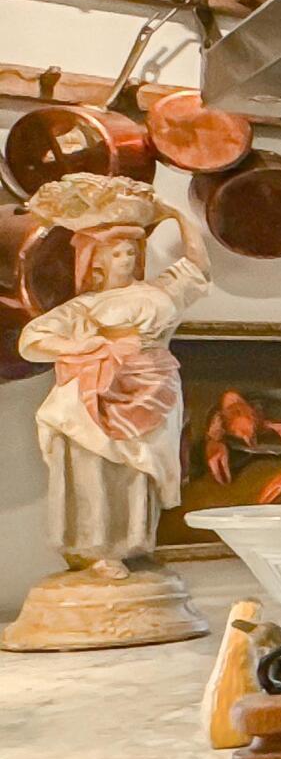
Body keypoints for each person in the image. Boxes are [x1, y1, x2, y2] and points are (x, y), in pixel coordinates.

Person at [17, 176, 212, 576]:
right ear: (98, 261)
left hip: (154, 386)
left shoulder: (159, 293)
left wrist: (177, 215)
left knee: (140, 470)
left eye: (131, 251)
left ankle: (134, 542)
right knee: (95, 464)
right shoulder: (87, 307)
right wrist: (82, 348)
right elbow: (31, 339)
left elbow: (197, 267)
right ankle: (97, 547)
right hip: (99, 389)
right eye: (119, 252)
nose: (127, 258)